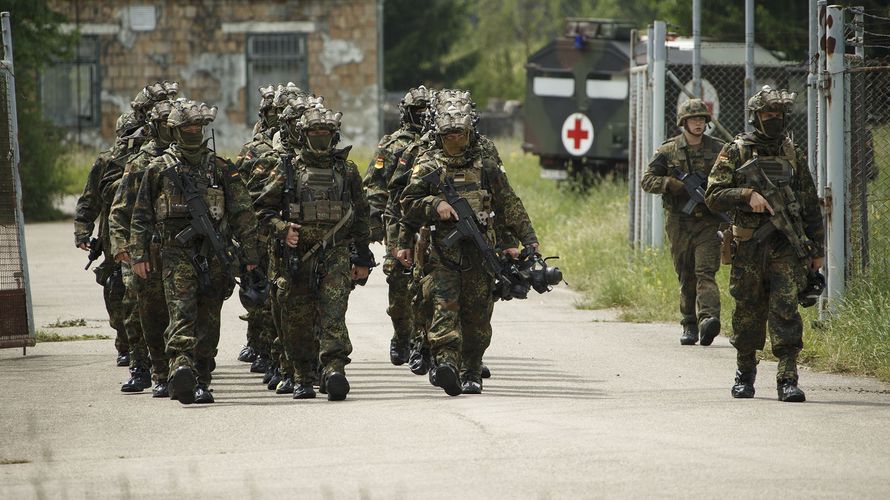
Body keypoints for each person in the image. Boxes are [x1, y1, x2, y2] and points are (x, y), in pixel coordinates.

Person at [399, 89, 538, 395]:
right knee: (442, 306)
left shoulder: (485, 161)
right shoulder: (427, 162)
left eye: (460, 135)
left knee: (477, 313)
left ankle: (471, 367)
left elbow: (508, 203)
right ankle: (447, 362)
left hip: (480, 250)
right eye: (449, 136)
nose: (455, 142)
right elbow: (407, 203)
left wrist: (525, 241)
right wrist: (435, 205)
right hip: (441, 252)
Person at [129, 99, 260, 405]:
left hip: (214, 256)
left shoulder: (220, 168)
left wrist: (250, 257)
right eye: (187, 128)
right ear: (174, 131)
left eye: (197, 127)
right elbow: (140, 215)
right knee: (181, 313)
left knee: (209, 320)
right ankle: (181, 368)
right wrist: (138, 254)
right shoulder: (158, 169)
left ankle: (202, 378)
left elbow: (243, 213)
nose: (193, 132)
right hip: (175, 254)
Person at [705, 86, 824, 403]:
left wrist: (817, 251)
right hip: (748, 248)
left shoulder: (791, 153)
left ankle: (788, 378)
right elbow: (713, 195)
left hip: (785, 246)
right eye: (767, 114)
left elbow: (810, 204)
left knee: (786, 311)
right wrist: (747, 196)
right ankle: (745, 375)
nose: (773, 119)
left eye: (777, 114)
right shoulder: (737, 150)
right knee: (748, 312)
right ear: (756, 116)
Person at [254, 104, 373, 401]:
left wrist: (361, 258)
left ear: (334, 136)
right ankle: (302, 375)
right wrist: (283, 229)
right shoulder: (289, 169)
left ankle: (334, 369)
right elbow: (262, 209)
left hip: (335, 255)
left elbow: (360, 216)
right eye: (315, 132)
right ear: (304, 135)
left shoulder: (347, 171)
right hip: (297, 257)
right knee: (298, 317)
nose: (320, 137)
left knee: (333, 314)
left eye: (326, 133)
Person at [641, 98, 725, 346]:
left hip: (708, 222)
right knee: (686, 273)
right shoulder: (668, 151)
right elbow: (647, 181)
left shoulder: (719, 149)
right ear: (683, 122)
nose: (698, 123)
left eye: (701, 119)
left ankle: (709, 319)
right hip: (679, 222)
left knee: (705, 272)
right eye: (693, 119)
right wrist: (671, 184)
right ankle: (689, 322)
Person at [108, 96, 178, 397]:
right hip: (143, 250)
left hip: (178, 252)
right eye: (165, 125)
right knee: (138, 308)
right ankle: (140, 366)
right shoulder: (141, 163)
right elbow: (120, 210)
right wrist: (123, 247)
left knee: (181, 311)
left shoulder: (191, 161)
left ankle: (176, 368)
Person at [364, 86, 432, 366]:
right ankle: (402, 336)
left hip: (431, 220)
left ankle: (424, 340)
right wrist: (373, 224)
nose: (424, 116)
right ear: (407, 113)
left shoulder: (438, 142)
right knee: (399, 278)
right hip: (398, 218)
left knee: (430, 280)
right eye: (419, 112)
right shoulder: (392, 144)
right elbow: (376, 184)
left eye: (428, 111)